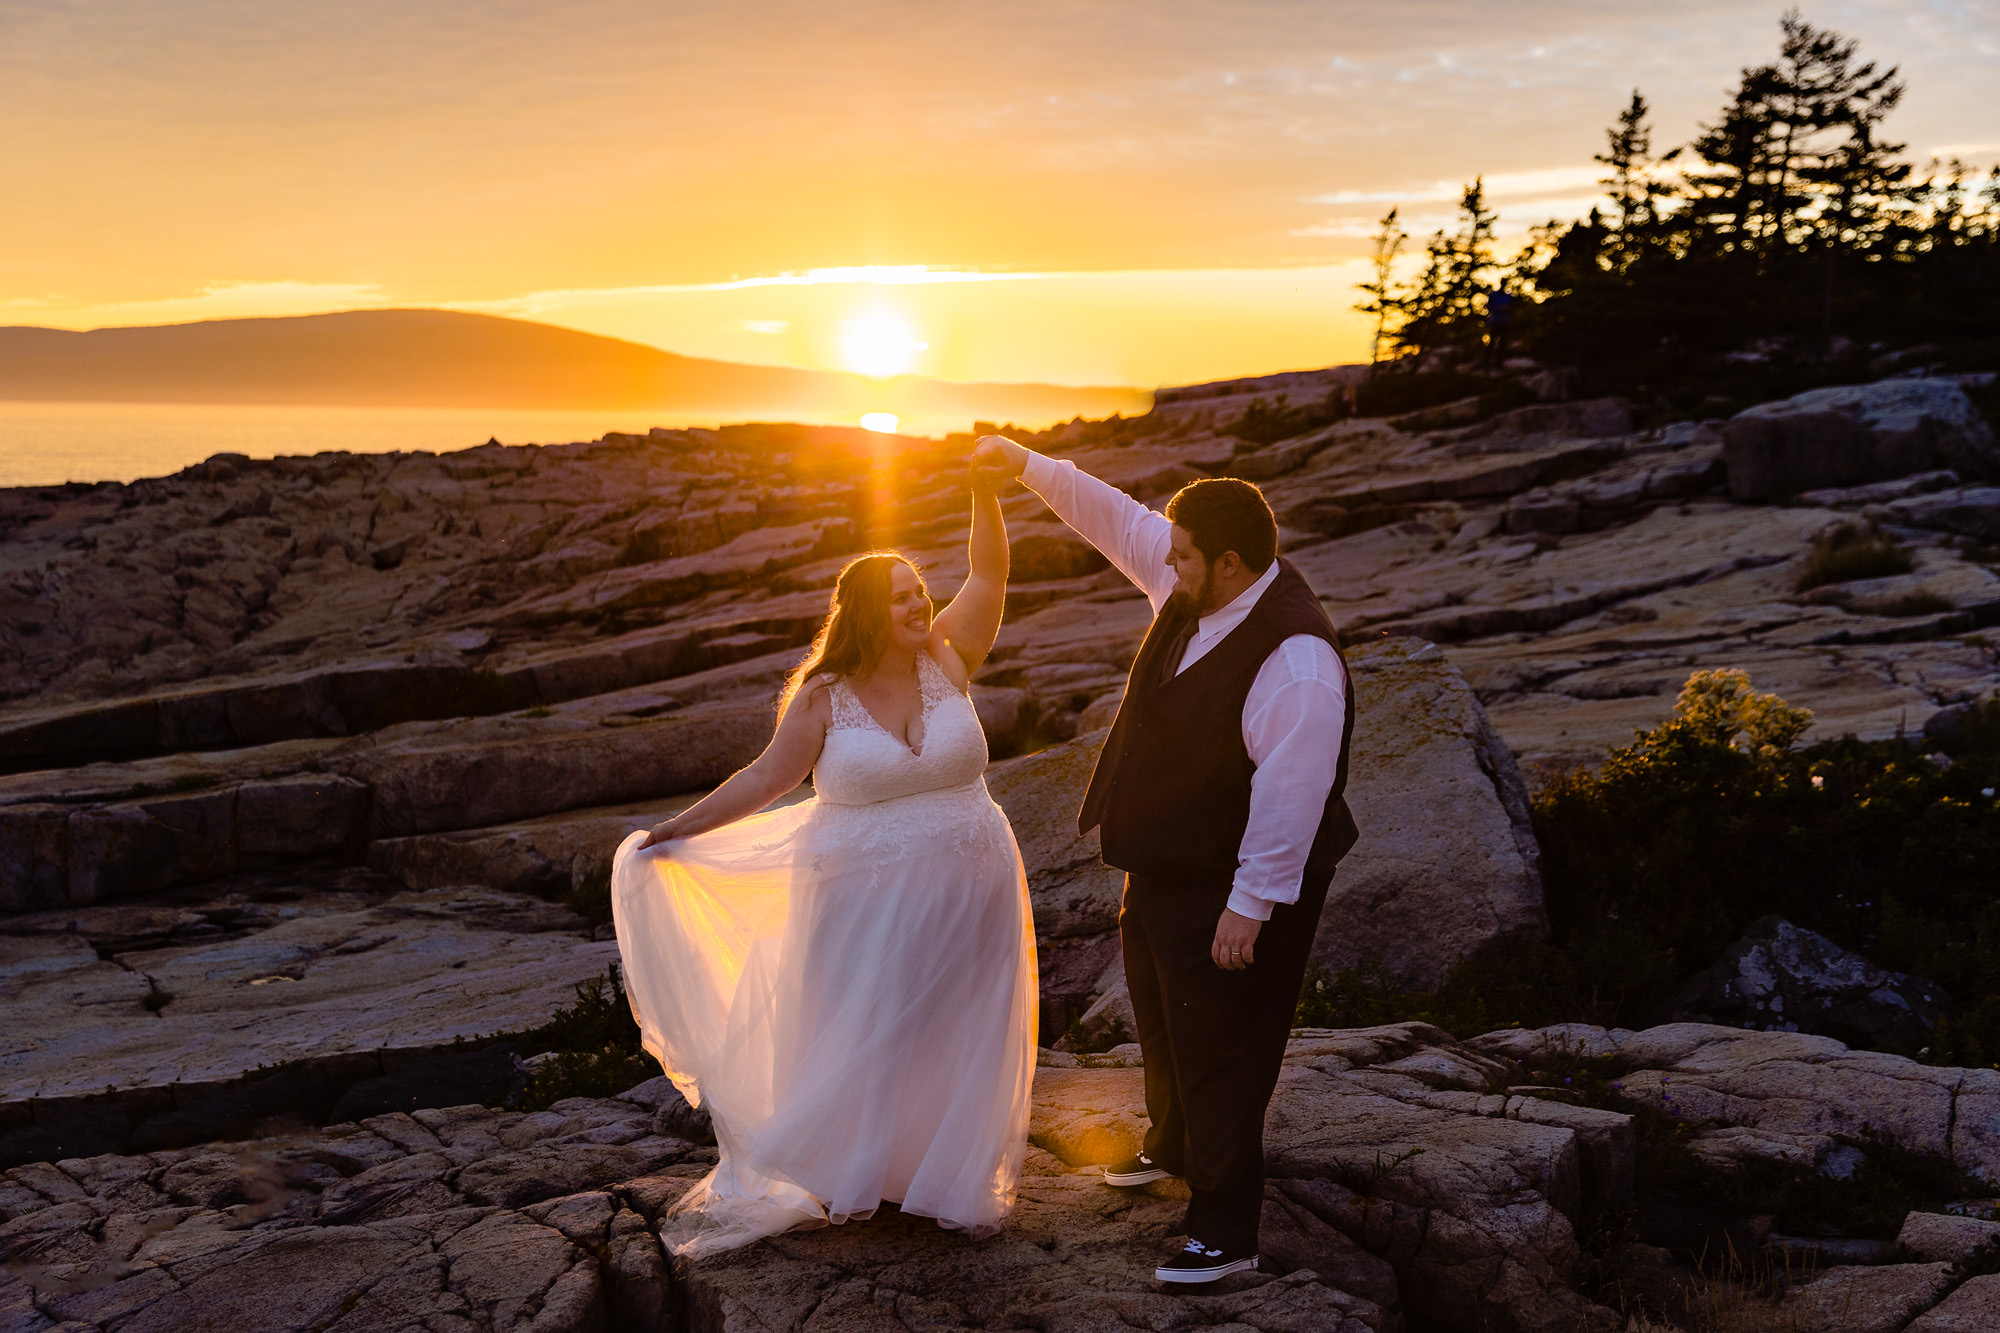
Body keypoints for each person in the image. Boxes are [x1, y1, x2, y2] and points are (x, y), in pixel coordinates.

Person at [609, 469, 1036, 1257]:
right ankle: (856, 1172)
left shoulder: (950, 658)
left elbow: (991, 572)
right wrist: (679, 825)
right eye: (904, 596)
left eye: (921, 591)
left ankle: (941, 1177)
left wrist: (982, 489)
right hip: (863, 906)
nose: (923, 604)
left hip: (974, 894)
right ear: (870, 611)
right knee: (868, 1035)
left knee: (958, 1033)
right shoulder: (823, 696)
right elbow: (767, 778)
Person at [969, 435, 1356, 1285]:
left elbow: (1291, 798)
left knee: (1223, 1043)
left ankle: (1226, 1233)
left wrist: (1248, 908)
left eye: (1182, 555)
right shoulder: (1195, 583)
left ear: (1228, 562)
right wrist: (1028, 465)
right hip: (1168, 863)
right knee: (1162, 1011)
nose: (1164, 560)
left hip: (1241, 877)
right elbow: (1118, 520)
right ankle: (1173, 1145)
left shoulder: (1296, 661)